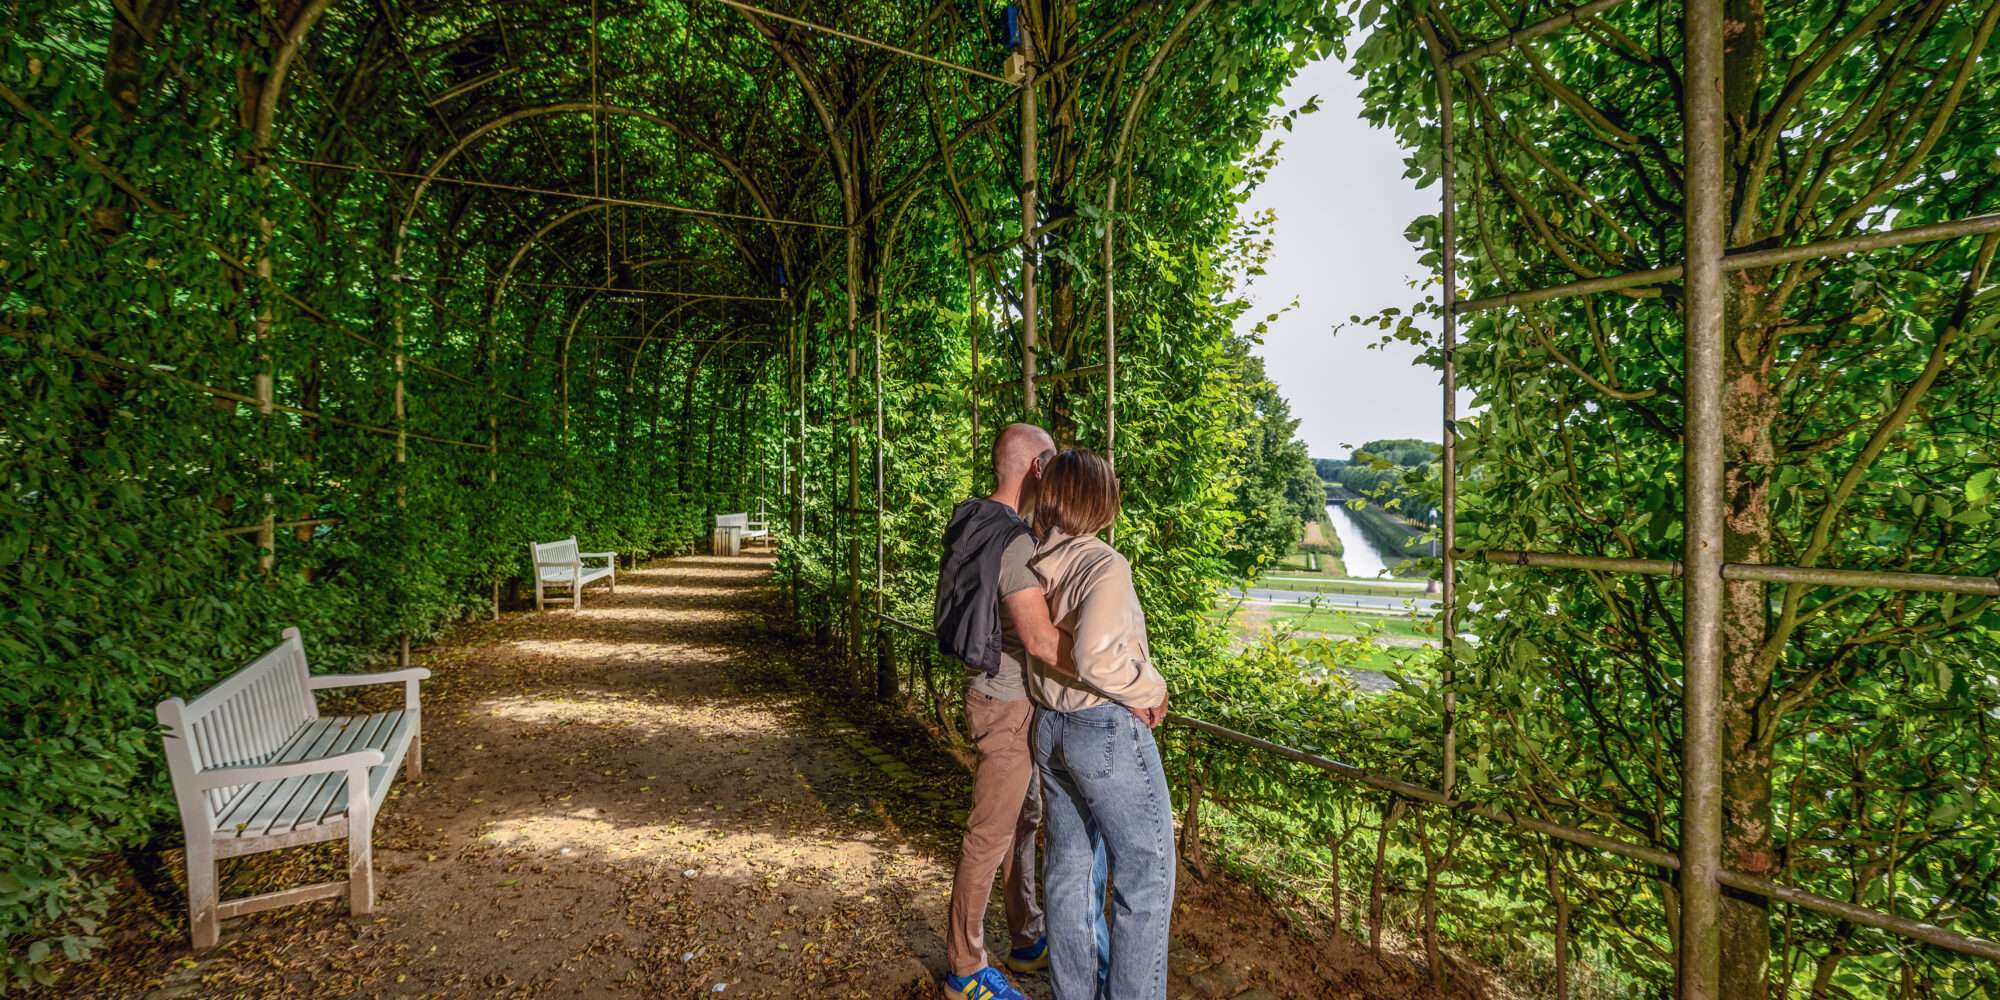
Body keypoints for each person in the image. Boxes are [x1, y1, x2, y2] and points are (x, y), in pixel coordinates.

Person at [1018, 449, 1174, 1000]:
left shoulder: (1036, 561)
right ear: (1099, 501)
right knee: (1146, 877)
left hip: (1052, 730)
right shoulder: (1104, 563)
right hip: (1103, 727)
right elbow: (1096, 659)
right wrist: (1150, 689)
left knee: (1069, 874)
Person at [932, 423, 1061, 1000]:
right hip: (1008, 703)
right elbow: (1040, 641)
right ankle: (964, 970)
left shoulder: (971, 518)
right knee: (989, 834)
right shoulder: (1015, 542)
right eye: (1053, 467)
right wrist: (1124, 678)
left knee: (1021, 819)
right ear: (1037, 469)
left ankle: (1026, 937)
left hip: (989, 692)